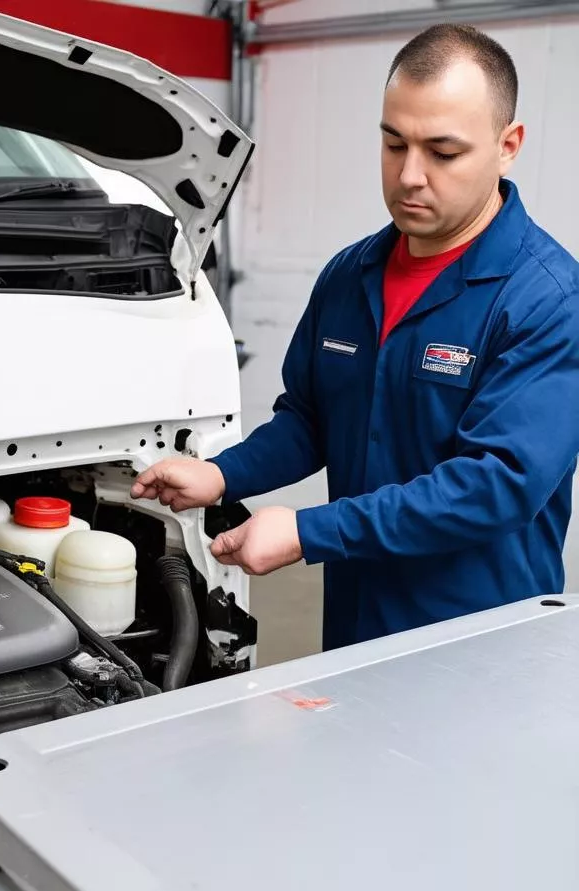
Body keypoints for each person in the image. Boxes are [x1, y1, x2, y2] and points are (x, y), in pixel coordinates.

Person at [132, 23, 579, 651]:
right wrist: (221, 475)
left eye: (443, 152)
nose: (410, 176)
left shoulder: (546, 300)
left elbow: (497, 486)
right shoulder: (351, 275)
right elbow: (312, 419)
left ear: (508, 146)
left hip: (479, 639)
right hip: (356, 627)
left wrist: (309, 532)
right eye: (394, 144)